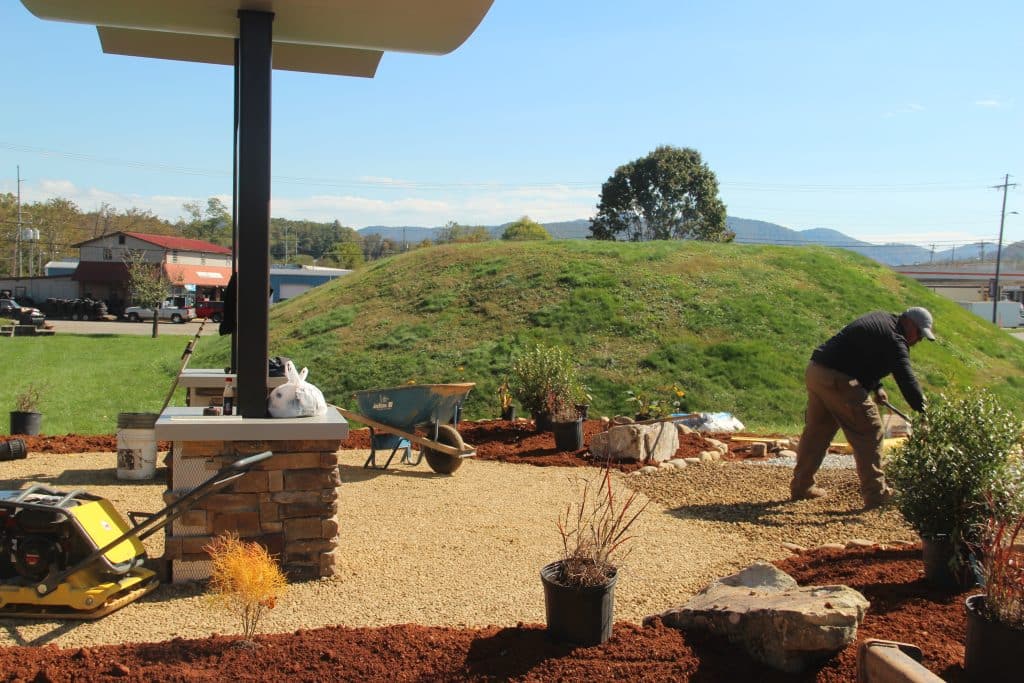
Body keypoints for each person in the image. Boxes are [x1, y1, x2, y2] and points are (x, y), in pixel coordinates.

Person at [790, 307, 935, 509]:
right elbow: (907, 381)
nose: (918, 340)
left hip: (817, 372)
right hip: (839, 379)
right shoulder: (895, 339)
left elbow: (863, 355)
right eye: (919, 333)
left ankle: (801, 486)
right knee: (870, 430)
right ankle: (876, 495)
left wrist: (877, 387)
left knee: (817, 431)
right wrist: (925, 413)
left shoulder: (883, 320)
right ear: (909, 323)